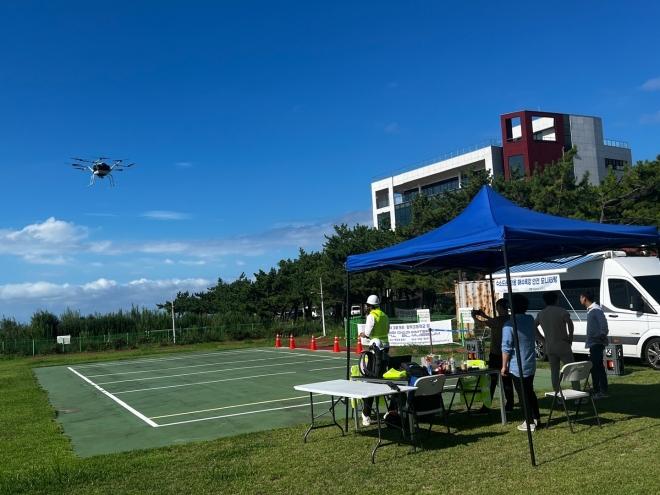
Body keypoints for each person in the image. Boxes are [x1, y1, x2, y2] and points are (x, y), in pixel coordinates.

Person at [501, 294, 541, 432]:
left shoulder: (509, 325)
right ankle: (536, 417)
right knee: (530, 391)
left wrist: (503, 366)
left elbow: (506, 347)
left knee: (522, 394)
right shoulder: (529, 319)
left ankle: (529, 422)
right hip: (530, 362)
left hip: (517, 365)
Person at [471, 299, 514, 413]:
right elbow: (493, 321)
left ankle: (486, 405)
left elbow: (480, 323)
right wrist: (484, 315)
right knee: (507, 381)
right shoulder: (508, 319)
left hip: (496, 354)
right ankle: (510, 405)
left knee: (491, 380)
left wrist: (473, 316)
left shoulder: (498, 320)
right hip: (508, 354)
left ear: (499, 307)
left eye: (496, 306)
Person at [535, 291, 580, 395]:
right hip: (563, 345)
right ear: (556, 300)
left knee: (554, 371)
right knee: (572, 369)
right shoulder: (561, 311)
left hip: (550, 346)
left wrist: (543, 339)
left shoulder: (541, 313)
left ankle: (557, 394)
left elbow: (534, 326)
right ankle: (577, 393)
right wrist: (570, 337)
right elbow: (569, 322)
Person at [357, 294, 390, 426]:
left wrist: (363, 334)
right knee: (384, 377)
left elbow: (369, 332)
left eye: (367, 305)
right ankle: (390, 410)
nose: (366, 307)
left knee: (371, 380)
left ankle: (366, 414)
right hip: (386, 348)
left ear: (370, 306)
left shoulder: (372, 316)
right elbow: (387, 330)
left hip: (375, 349)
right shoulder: (384, 315)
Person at [580, 289, 610, 399]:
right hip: (593, 343)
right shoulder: (591, 310)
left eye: (580, 297)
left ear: (584, 298)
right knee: (598, 366)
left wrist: (602, 337)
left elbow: (604, 324)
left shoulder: (595, 309)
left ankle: (597, 391)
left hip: (597, 343)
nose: (580, 300)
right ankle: (603, 390)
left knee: (592, 366)